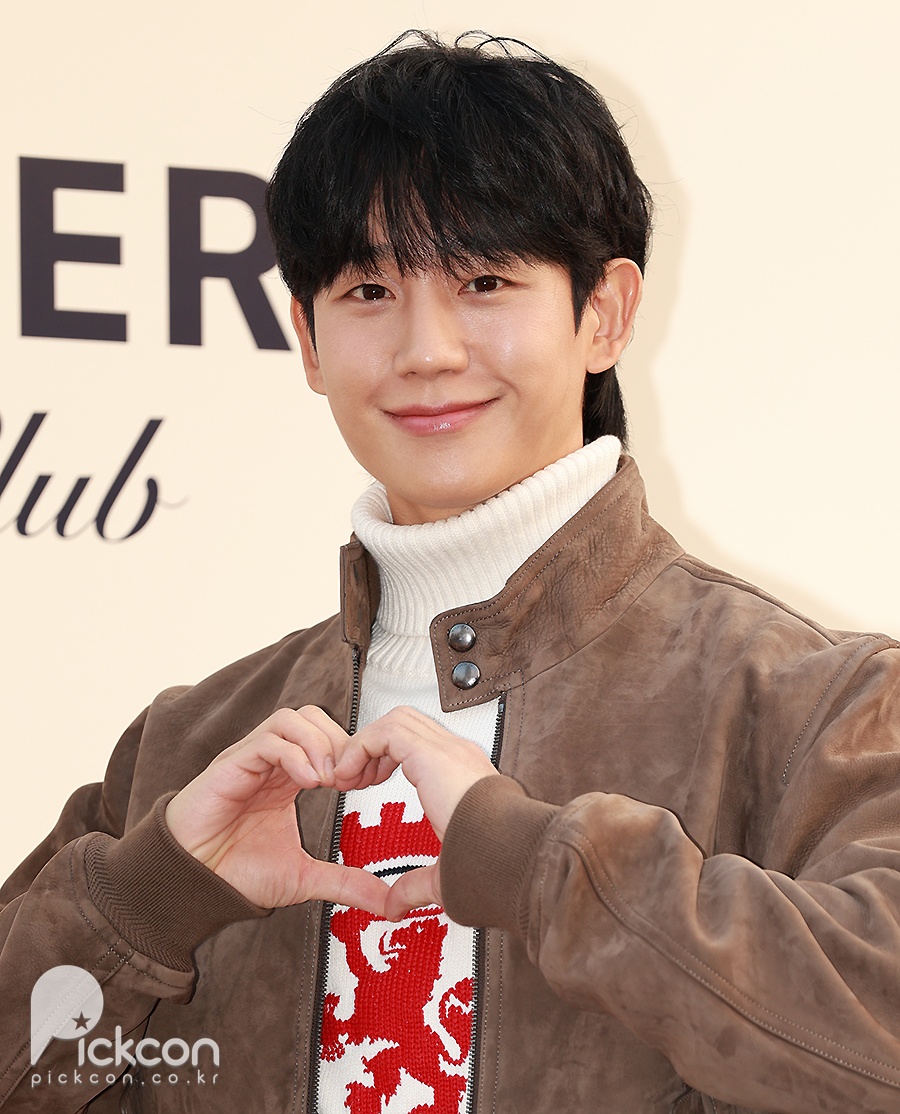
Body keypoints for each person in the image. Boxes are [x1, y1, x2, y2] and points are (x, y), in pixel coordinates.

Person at [3, 29, 900, 1114]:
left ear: (605, 312)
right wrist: (145, 901)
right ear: (307, 339)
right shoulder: (184, 748)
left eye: (483, 280)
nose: (426, 350)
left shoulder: (817, 707)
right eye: (368, 292)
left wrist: (542, 867)